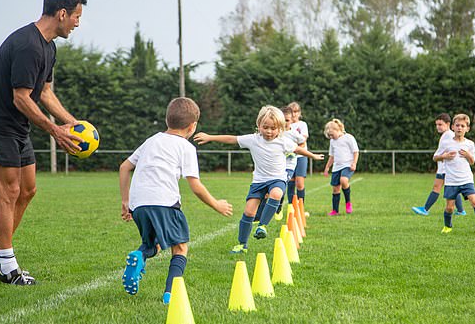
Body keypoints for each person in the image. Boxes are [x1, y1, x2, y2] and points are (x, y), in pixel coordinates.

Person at [0, 0, 87, 286]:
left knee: (28, 190)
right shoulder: (28, 45)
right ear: (61, 13)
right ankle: (7, 266)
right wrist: (54, 132)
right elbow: (21, 98)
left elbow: (44, 93)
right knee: (8, 192)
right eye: (76, 16)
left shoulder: (49, 47)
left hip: (17, 128)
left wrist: (72, 123)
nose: (77, 23)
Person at [119, 97, 233, 305]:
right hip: (164, 202)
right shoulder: (185, 147)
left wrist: (126, 201)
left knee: (154, 244)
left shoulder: (151, 140)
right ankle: (171, 294)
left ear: (167, 119)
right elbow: (195, 186)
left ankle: (139, 255)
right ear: (193, 126)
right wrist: (216, 204)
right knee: (180, 248)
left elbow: (124, 167)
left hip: (139, 204)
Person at [194, 105, 324, 254]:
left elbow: (297, 149)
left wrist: (313, 156)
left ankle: (262, 225)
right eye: (265, 127)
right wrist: (210, 137)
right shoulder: (253, 139)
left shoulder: (283, 141)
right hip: (258, 182)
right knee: (249, 212)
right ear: (259, 125)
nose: (269, 131)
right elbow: (232, 139)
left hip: (277, 179)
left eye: (273, 128)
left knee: (276, 194)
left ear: (280, 128)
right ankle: (242, 245)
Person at [433, 114, 475, 234]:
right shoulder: (447, 143)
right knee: (450, 207)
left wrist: (468, 155)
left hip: (466, 180)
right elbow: (435, 157)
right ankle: (447, 226)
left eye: (462, 126)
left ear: (467, 128)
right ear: (453, 127)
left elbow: (472, 162)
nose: (460, 128)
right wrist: (444, 156)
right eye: (457, 125)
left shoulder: (470, 144)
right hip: (451, 181)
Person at [254, 106, 306, 222]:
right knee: (268, 191)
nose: (286, 123)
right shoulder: (276, 133)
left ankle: (277, 208)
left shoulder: (294, 133)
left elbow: (302, 143)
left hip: (289, 166)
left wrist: (294, 152)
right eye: (284, 120)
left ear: (292, 120)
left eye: (288, 120)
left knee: (279, 188)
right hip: (276, 166)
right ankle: (261, 215)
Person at [412, 113, 466, 216]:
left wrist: (443, 157)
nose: (438, 127)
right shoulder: (447, 135)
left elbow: (448, 152)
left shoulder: (448, 136)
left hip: (445, 169)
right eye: (437, 124)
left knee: (437, 187)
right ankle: (461, 211)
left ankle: (425, 209)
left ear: (448, 124)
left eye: (440, 124)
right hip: (444, 168)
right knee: (453, 190)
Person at [323, 119, 359, 216]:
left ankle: (348, 202)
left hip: (348, 165)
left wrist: (354, 163)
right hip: (336, 167)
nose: (331, 137)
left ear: (338, 130)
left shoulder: (349, 138)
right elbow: (332, 156)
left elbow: (356, 151)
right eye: (329, 135)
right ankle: (335, 211)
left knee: (343, 180)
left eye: (331, 134)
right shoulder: (332, 141)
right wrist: (327, 168)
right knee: (335, 189)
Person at [287, 102, 309, 205]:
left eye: (296, 112)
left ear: (299, 113)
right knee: (290, 183)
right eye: (292, 112)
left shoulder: (302, 124)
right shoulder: (286, 125)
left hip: (301, 156)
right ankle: (291, 208)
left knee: (299, 183)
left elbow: (303, 140)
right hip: (289, 157)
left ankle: (301, 208)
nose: (294, 114)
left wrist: (295, 148)